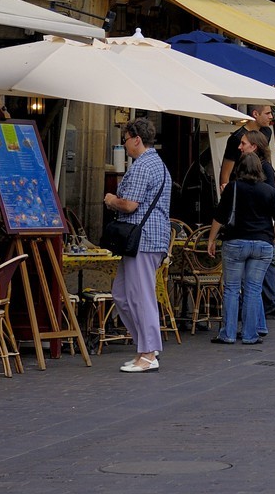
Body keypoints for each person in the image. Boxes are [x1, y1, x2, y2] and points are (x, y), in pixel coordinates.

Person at [104, 118, 171, 374]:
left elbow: (131, 204)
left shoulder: (144, 165)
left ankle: (149, 353)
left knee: (140, 296)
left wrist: (112, 200)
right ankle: (144, 347)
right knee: (122, 294)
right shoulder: (154, 163)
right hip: (145, 239)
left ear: (136, 139)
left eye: (125, 139)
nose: (124, 144)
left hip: (143, 239)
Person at [206, 152, 275, 345]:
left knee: (232, 289)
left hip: (235, 242)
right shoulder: (269, 190)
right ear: (259, 169)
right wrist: (270, 236)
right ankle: (250, 335)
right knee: (253, 289)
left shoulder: (233, 188)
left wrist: (211, 239)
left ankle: (228, 334)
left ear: (238, 168)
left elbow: (220, 215)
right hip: (262, 243)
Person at [219, 104, 273, 191]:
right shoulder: (236, 139)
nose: (271, 116)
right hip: (241, 186)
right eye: (267, 113)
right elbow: (226, 173)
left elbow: (265, 155)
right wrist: (226, 195)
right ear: (255, 114)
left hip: (262, 182)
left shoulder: (266, 132)